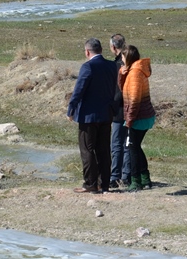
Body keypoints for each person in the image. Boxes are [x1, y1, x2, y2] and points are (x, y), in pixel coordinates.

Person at [67, 37, 117, 194]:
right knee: (103, 149)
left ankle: (90, 183)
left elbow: (79, 90)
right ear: (101, 50)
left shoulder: (88, 67)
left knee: (87, 150)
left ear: (87, 52)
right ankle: (105, 184)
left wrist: (71, 109)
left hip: (89, 116)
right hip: (106, 114)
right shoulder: (112, 66)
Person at [118, 44, 156, 192]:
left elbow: (134, 99)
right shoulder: (134, 71)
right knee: (136, 147)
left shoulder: (135, 73)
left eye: (122, 56)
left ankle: (136, 181)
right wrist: (122, 73)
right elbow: (122, 88)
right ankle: (145, 178)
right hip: (143, 116)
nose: (121, 59)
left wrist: (130, 120)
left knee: (133, 148)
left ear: (127, 57)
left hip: (139, 117)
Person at [109, 33, 130, 189]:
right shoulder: (133, 63)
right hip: (133, 108)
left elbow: (115, 91)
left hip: (119, 110)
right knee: (128, 143)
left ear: (113, 47)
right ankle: (126, 175)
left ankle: (115, 176)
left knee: (117, 144)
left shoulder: (116, 66)